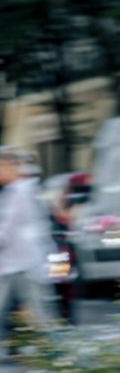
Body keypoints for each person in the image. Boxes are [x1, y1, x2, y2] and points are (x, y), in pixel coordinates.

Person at [0, 147, 57, 351]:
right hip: (16, 264)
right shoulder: (19, 190)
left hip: (25, 263)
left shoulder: (20, 191)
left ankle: (59, 359)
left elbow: (7, 229)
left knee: (41, 315)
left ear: (9, 166)